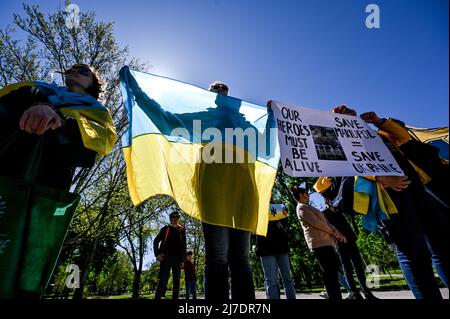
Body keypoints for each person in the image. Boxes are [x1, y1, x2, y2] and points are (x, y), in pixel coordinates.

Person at [332, 105, 445, 299]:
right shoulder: (340, 141)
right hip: (390, 196)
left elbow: (404, 137)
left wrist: (379, 122)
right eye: (340, 113)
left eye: (349, 109)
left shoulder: (376, 134)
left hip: (416, 187)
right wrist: (380, 178)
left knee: (442, 240)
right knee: (413, 251)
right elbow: (348, 165)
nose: (347, 112)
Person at [0, 63, 116, 190]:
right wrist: (41, 103)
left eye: (83, 71)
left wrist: (61, 122)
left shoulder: (97, 111)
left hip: (41, 184)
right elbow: (6, 103)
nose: (74, 71)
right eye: (70, 69)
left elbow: (90, 149)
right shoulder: (35, 89)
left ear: (93, 82)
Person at [314, 177, 377, 299]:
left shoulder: (339, 207)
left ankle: (367, 293)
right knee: (347, 268)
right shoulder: (324, 214)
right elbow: (329, 229)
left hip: (350, 239)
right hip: (340, 242)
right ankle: (355, 293)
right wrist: (339, 237)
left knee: (358, 267)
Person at [292, 186, 347, 300]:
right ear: (299, 196)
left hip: (327, 243)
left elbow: (325, 222)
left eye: (306, 193)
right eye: (304, 194)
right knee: (329, 274)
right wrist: (333, 232)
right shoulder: (301, 207)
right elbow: (317, 224)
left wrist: (337, 233)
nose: (307, 195)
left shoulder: (308, 206)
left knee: (333, 271)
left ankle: (336, 296)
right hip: (319, 244)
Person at [255, 201, 296, 299]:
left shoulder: (279, 207)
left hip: (281, 247)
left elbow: (286, 226)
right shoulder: (255, 206)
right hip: (265, 248)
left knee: (288, 278)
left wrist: (286, 216)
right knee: (271, 280)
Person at [153, 211, 187, 300]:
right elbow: (156, 241)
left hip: (177, 260)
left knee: (177, 282)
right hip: (165, 258)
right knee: (162, 281)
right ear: (170, 218)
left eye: (177, 217)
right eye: (173, 217)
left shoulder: (181, 230)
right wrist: (157, 254)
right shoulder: (165, 229)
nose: (175, 219)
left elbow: (184, 246)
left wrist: (183, 260)